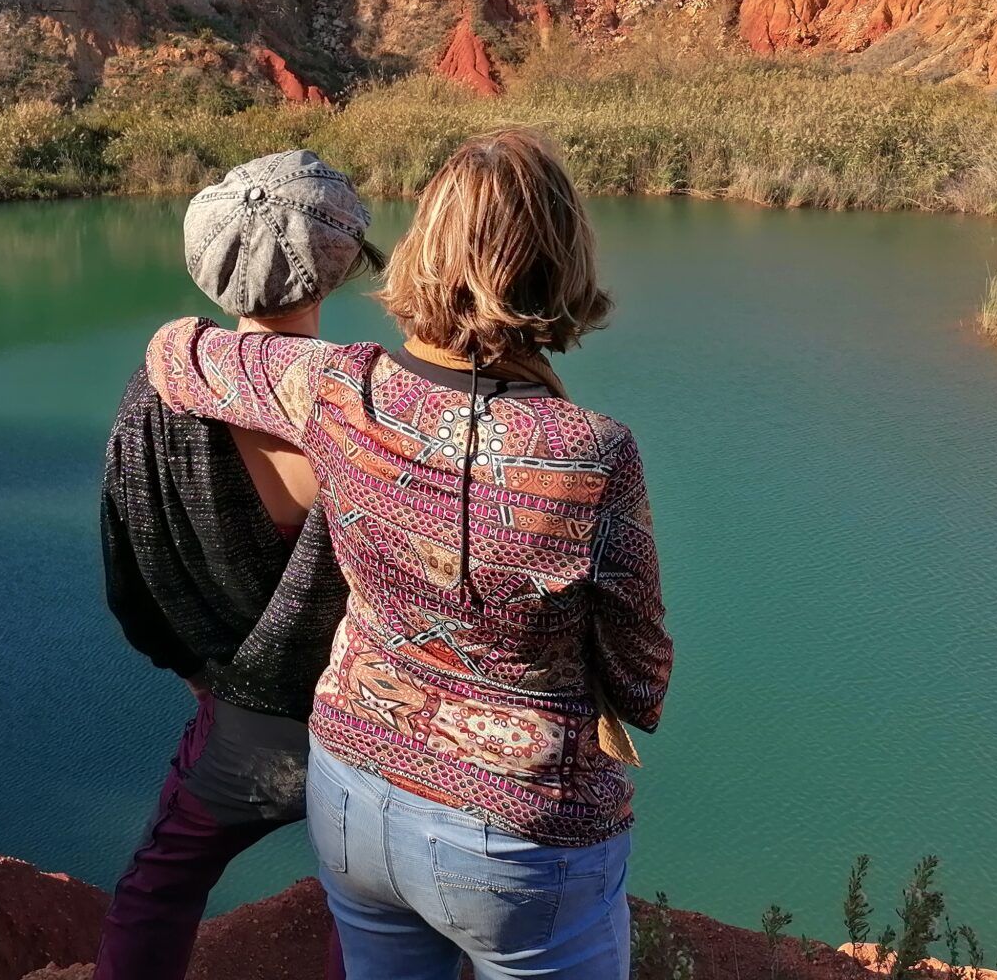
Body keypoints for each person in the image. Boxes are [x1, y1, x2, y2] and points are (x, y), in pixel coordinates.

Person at [144, 128, 673, 980]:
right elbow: (641, 682)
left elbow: (176, 353)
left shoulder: (337, 386)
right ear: (562, 264)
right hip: (520, 835)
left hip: (354, 789)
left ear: (422, 253)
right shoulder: (593, 452)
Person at [97, 149, 382, 980]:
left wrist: (198, 669)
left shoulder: (157, 396)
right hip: (376, 722)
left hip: (243, 718)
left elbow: (130, 568)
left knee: (163, 881)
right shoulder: (371, 406)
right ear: (334, 267)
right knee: (366, 907)